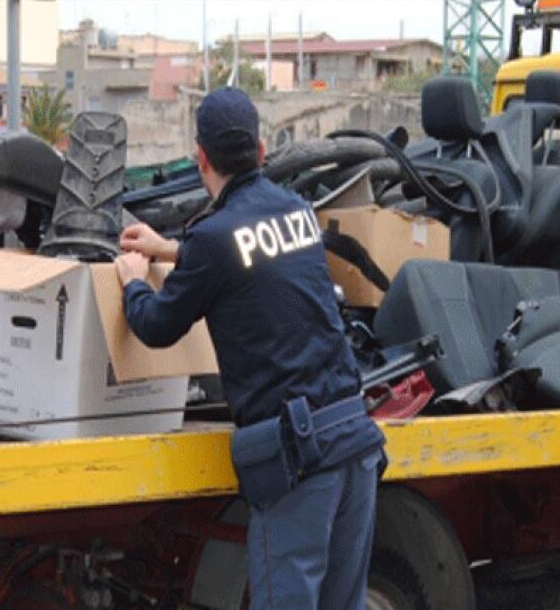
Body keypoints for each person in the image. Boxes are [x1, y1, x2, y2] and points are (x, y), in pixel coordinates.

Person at [114, 87, 385, 609]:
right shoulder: (299, 212)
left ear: (201, 159)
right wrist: (169, 249)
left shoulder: (213, 238)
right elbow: (249, 260)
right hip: (354, 441)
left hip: (302, 459)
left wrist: (132, 280)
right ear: (261, 152)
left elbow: (157, 326)